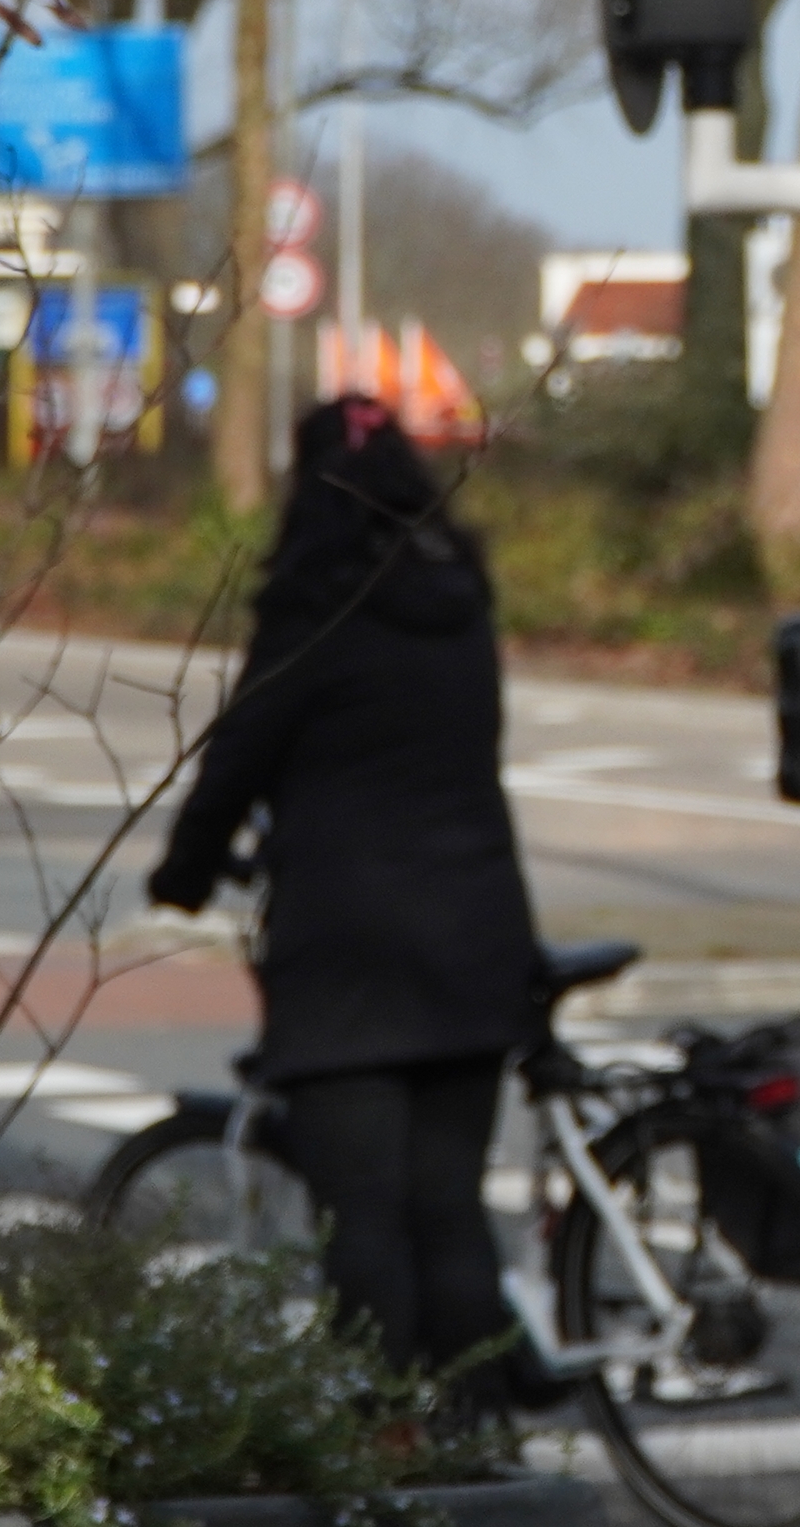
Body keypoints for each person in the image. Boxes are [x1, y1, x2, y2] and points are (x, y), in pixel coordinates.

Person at [150, 399, 540, 1386]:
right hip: (476, 934)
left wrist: (184, 871)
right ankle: (476, 1435)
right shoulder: (461, 594)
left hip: (347, 954)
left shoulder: (313, 605)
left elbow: (240, 754)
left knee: (362, 1216)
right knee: (448, 1207)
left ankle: (385, 1438)